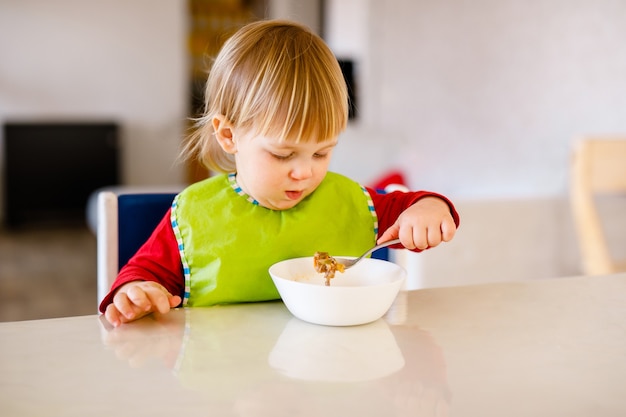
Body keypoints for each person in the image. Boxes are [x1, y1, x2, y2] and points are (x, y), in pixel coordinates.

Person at [100, 19, 460, 327]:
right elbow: (144, 275)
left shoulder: (351, 201)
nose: (304, 172)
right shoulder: (194, 214)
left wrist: (429, 209)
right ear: (229, 135)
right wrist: (138, 292)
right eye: (282, 154)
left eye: (321, 152)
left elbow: (414, 205)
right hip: (227, 384)